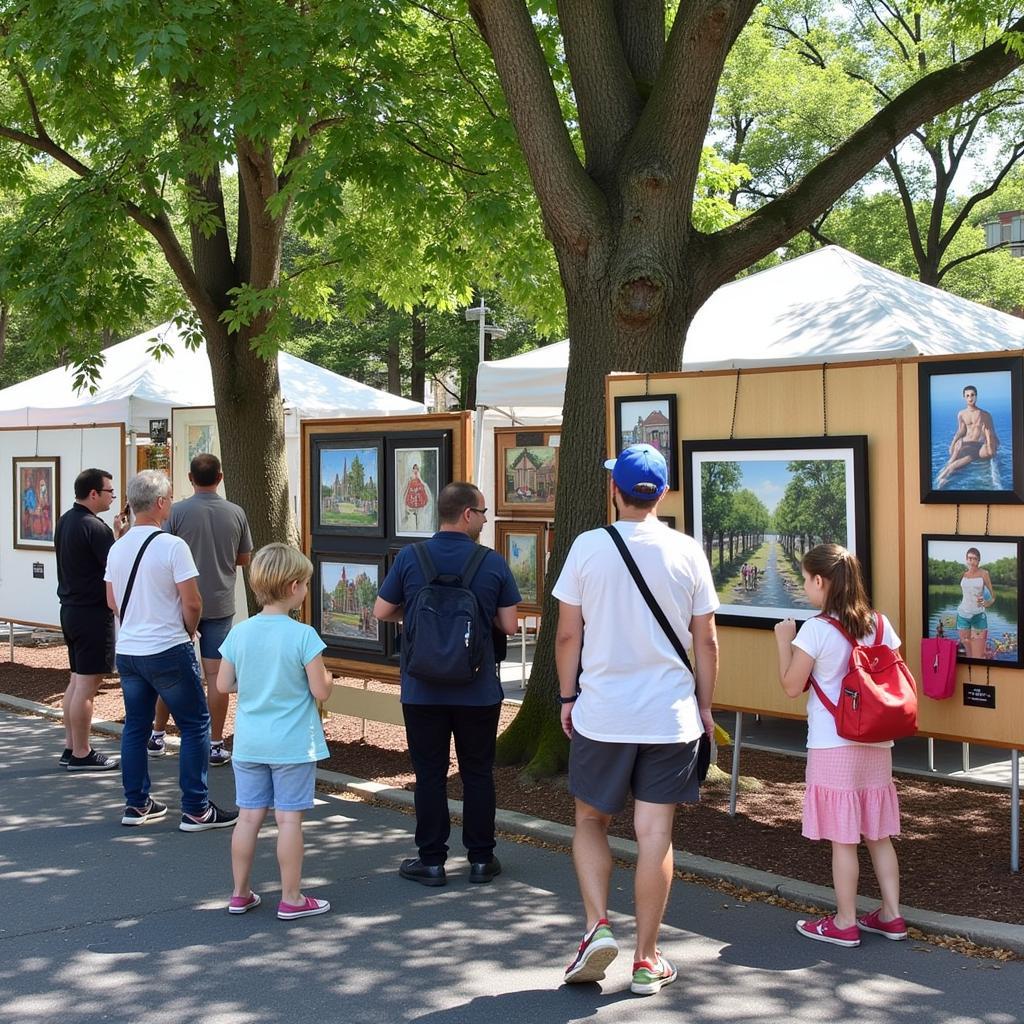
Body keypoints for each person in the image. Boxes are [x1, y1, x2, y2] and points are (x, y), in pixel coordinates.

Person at [553, 444, 719, 996]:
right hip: (670, 717)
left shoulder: (588, 547)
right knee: (655, 835)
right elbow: (706, 640)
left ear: (614, 491)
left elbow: (568, 634)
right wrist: (704, 704)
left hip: (603, 713)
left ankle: (597, 925)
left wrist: (565, 696)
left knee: (589, 822)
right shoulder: (688, 551)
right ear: (663, 494)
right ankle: (647, 960)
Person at [373, 482, 520, 887]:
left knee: (430, 774)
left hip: (422, 689)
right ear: (467, 514)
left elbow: (382, 610)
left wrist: (420, 616)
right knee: (476, 772)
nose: (487, 519)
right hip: (477, 691)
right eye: (484, 512)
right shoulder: (491, 563)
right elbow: (509, 625)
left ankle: (432, 861)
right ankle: (481, 859)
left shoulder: (411, 557)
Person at [774, 543, 906, 948]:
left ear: (820, 580)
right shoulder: (879, 624)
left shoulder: (816, 629)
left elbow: (792, 687)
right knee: (877, 835)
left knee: (844, 838)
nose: (804, 586)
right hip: (877, 741)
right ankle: (892, 916)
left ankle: (845, 921)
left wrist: (784, 640)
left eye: (805, 579)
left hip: (834, 744)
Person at [105, 470, 238, 831]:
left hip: (130, 649)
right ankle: (196, 807)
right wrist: (188, 629)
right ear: (161, 503)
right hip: (168, 646)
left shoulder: (118, 546)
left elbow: (111, 600)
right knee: (195, 725)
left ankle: (136, 804)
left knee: (136, 726)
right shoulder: (172, 546)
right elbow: (192, 602)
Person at [217, 543, 333, 920]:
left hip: (250, 742)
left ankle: (239, 892)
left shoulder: (240, 633)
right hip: (293, 744)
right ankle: (292, 897)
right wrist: (327, 678)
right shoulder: (304, 636)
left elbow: (222, 685)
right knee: (288, 820)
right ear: (294, 586)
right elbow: (319, 690)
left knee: (248, 817)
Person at [149, 453, 253, 766]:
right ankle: (216, 742)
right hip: (220, 603)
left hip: (180, 603)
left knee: (171, 671)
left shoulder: (176, 512)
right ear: (219, 477)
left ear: (190, 478)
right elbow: (244, 558)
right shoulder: (236, 512)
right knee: (217, 676)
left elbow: (161, 552)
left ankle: (156, 735)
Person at [54, 468, 128, 770]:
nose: (113, 497)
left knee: (76, 680)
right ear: (94, 493)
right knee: (87, 684)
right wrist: (118, 536)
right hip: (91, 613)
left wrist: (114, 535)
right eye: (110, 491)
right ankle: (82, 752)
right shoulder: (94, 528)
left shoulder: (65, 521)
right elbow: (115, 566)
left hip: (70, 609)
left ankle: (71, 747)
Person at [936, 384, 999, 488]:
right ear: (964, 397)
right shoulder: (961, 414)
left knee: (953, 465)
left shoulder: (984, 414)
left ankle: (941, 481)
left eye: (972, 395)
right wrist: (953, 443)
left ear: (976, 396)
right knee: (951, 462)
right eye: (968, 395)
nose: (970, 398)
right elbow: (961, 430)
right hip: (965, 444)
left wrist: (992, 443)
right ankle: (940, 482)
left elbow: (991, 432)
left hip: (976, 446)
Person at [955, 546, 995, 660]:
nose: (971, 561)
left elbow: (992, 597)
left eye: (974, 559)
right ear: (966, 559)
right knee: (968, 654)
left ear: (978, 560)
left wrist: (986, 603)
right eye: (969, 558)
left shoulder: (984, 573)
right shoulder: (964, 575)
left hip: (978, 616)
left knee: (977, 657)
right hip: (962, 616)